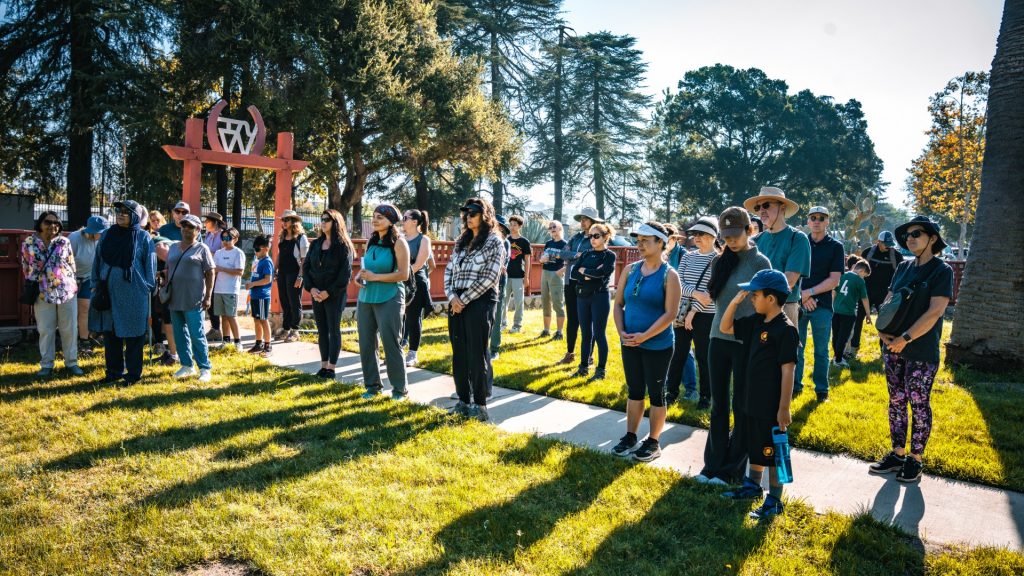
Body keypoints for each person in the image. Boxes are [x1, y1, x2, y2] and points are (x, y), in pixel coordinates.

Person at [870, 216, 953, 483]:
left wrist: (905, 338)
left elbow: (935, 311)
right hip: (892, 346)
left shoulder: (942, 271)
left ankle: (915, 459)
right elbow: (889, 300)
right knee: (896, 401)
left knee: (918, 403)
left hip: (920, 350)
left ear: (932, 238)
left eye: (917, 233)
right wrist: (881, 329)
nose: (910, 238)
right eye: (907, 235)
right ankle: (897, 453)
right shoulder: (903, 267)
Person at [697, 207, 771, 485]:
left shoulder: (761, 262)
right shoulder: (719, 261)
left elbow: (767, 306)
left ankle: (731, 471)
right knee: (718, 406)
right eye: (725, 235)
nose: (730, 240)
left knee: (741, 406)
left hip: (745, 342)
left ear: (750, 230)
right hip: (718, 339)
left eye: (735, 234)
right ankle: (712, 466)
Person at [719, 269, 799, 521]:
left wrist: (784, 408)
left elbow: (788, 371)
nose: (751, 298)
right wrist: (735, 301)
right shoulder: (756, 322)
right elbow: (725, 326)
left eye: (755, 294)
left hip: (771, 405)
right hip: (750, 401)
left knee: (773, 452)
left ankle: (774, 499)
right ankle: (752, 486)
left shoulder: (785, 330)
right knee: (755, 445)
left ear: (771, 298)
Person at [610, 222, 681, 462]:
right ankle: (630, 436)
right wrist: (622, 332)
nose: (639, 245)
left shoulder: (670, 275)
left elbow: (670, 314)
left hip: (657, 345)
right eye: (638, 240)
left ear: (660, 243)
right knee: (635, 391)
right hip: (630, 342)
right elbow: (618, 304)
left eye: (645, 241)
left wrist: (644, 336)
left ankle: (653, 441)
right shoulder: (630, 270)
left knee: (656, 393)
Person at [445, 198, 507, 422]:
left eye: (473, 212)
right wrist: (453, 297)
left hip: (480, 300)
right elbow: (448, 271)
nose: (468, 216)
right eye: (466, 212)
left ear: (484, 215)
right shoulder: (461, 240)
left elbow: (490, 277)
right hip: (457, 301)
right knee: (459, 352)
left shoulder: (494, 242)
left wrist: (464, 300)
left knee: (477, 353)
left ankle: (479, 404)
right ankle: (462, 400)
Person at [89, 201, 156, 385]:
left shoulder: (143, 237)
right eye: (119, 211)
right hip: (108, 291)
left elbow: (150, 263)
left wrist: (146, 286)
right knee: (110, 334)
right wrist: (95, 282)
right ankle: (113, 372)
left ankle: (133, 375)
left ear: (135, 216)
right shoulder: (108, 234)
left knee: (134, 335)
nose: (121, 214)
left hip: (134, 293)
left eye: (126, 212)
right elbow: (98, 259)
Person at [356, 204, 410, 400]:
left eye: (380, 217)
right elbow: (367, 268)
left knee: (391, 343)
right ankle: (372, 386)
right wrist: (359, 276)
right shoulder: (371, 241)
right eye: (374, 216)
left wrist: (375, 277)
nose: (375, 220)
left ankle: (399, 389)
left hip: (390, 297)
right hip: (366, 297)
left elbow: (404, 274)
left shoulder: (399, 243)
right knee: (366, 343)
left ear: (390, 221)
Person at [667, 216, 720, 408]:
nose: (696, 237)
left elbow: (713, 292)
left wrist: (694, 312)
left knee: (703, 356)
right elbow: (679, 283)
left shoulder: (719, 259)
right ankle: (671, 392)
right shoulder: (688, 256)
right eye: (695, 233)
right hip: (683, 312)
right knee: (678, 353)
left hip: (706, 314)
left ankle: (705, 397)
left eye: (702, 234)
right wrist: (696, 293)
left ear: (713, 236)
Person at [794, 206, 844, 402]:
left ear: (827, 221)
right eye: (813, 217)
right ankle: (795, 387)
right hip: (797, 304)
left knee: (821, 350)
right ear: (808, 221)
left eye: (821, 218)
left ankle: (822, 390)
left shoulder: (835, 246)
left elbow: (834, 280)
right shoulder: (799, 243)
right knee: (796, 348)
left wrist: (809, 294)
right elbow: (791, 273)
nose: (817, 221)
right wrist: (802, 297)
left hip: (821, 305)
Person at [21, 211, 80, 377]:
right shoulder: (29, 242)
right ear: (40, 223)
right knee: (46, 329)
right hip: (41, 292)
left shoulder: (64, 242)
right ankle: (46, 364)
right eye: (48, 222)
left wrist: (72, 282)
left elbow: (71, 264)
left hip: (66, 291)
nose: (53, 225)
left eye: (56, 223)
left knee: (69, 329)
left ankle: (72, 362)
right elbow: (25, 265)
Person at [745, 187, 810, 326]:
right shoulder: (755, 240)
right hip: (754, 307)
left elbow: (789, 281)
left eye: (766, 205)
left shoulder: (797, 238)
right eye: (758, 207)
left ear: (782, 207)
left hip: (784, 307)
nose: (761, 210)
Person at [304, 209, 353, 379]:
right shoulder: (316, 244)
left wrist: (328, 292)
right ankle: (323, 366)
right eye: (322, 219)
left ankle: (331, 368)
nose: (323, 222)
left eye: (327, 219)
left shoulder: (343, 246)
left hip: (335, 295)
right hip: (316, 293)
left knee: (333, 330)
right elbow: (306, 267)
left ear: (336, 222)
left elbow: (345, 275)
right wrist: (311, 288)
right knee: (321, 330)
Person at [165, 214, 215, 382]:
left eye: (190, 226)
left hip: (194, 299)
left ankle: (205, 367)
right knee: (179, 334)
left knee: (196, 334)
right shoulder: (172, 247)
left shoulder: (202, 248)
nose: (186, 229)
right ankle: (187, 365)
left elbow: (210, 272)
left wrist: (208, 296)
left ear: (198, 230)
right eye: (184, 225)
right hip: (175, 298)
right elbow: (168, 269)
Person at [570, 222, 617, 380]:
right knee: (585, 334)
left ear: (605, 237)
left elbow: (602, 275)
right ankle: (583, 367)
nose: (592, 239)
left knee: (599, 334)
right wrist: (589, 273)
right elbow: (574, 273)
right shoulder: (585, 254)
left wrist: (587, 272)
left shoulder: (609, 255)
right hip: (583, 297)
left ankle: (600, 370)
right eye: (590, 236)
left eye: (596, 236)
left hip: (600, 297)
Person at [556, 207, 602, 365]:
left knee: (588, 321)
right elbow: (562, 253)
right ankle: (570, 353)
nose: (582, 222)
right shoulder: (575, 238)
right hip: (570, 282)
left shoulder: (597, 239)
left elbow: (592, 258)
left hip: (586, 283)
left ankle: (589, 356)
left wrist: (576, 258)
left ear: (593, 221)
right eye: (581, 219)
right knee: (572, 319)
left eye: (585, 219)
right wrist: (577, 255)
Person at [853, 231, 904, 353]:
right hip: (865, 292)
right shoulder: (867, 253)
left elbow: (901, 275)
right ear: (878, 242)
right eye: (885, 243)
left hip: (885, 294)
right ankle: (854, 346)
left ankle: (885, 348)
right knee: (858, 318)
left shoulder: (896, 256)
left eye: (890, 244)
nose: (888, 246)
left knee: (886, 322)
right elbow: (857, 271)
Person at [68, 216, 108, 355]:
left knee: (84, 308)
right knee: (70, 311)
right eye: (100, 232)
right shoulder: (74, 238)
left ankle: (84, 340)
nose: (102, 235)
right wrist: (71, 280)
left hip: (88, 278)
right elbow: (65, 260)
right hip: (70, 278)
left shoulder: (102, 240)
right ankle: (68, 340)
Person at [402, 208, 432, 367]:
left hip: (415, 284)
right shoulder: (400, 239)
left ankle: (413, 353)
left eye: (405, 218)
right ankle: (398, 349)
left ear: (414, 222)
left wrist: (400, 275)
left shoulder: (424, 240)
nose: (402, 220)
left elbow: (419, 264)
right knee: (399, 319)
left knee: (413, 319)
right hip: (398, 281)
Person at [831, 257, 871, 368]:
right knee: (843, 338)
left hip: (836, 310)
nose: (864, 277)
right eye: (865, 275)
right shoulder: (859, 280)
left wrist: (832, 306)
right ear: (862, 271)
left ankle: (836, 356)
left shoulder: (842, 275)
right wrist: (868, 314)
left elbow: (833, 292)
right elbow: (864, 299)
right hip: (848, 313)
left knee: (836, 335)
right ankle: (838, 360)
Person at [276, 210, 309, 343]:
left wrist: (300, 277)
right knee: (284, 301)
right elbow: (279, 254)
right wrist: (274, 269)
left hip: (295, 273)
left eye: (286, 220)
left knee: (294, 301)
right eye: (282, 220)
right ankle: (286, 328)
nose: (283, 223)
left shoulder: (301, 238)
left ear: (293, 222)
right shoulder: (282, 236)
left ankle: (295, 330)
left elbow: (304, 259)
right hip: (282, 272)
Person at [212, 227, 245, 352]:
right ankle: (226, 341)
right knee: (223, 317)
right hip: (218, 289)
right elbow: (214, 269)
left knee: (231, 316)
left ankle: (238, 342)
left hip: (231, 290)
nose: (225, 241)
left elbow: (240, 272)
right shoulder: (219, 253)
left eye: (228, 238)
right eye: (223, 238)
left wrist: (221, 269)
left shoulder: (238, 253)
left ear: (235, 239)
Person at [486, 215, 512, 363]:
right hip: (484, 283)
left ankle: (494, 349)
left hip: (499, 283)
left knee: (496, 317)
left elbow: (503, 263)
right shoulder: (484, 240)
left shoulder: (505, 243)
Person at [245, 235, 274, 357]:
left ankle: (268, 346)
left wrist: (252, 284)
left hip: (262, 295)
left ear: (266, 249)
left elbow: (267, 279)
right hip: (255, 295)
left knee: (263, 320)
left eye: (258, 249)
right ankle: (258, 343)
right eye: (254, 249)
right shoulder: (257, 261)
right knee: (256, 320)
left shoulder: (267, 262)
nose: (255, 252)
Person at [538, 220, 567, 339]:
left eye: (554, 227)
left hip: (556, 274)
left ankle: (559, 332)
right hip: (545, 272)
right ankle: (546, 330)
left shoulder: (565, 244)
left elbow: (570, 261)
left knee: (557, 303)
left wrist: (562, 271)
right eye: (550, 228)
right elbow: (542, 258)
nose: (552, 229)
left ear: (560, 228)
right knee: (545, 302)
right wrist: (541, 260)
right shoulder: (548, 243)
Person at [202, 212, 228, 343]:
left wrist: (208, 253)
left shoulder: (223, 235)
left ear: (214, 222)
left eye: (207, 221)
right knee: (210, 300)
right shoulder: (207, 235)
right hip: (207, 271)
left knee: (217, 301)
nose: (205, 223)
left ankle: (219, 330)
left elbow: (223, 252)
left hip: (218, 273)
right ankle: (215, 328)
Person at [504, 215, 531, 333]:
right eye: (511, 224)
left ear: (520, 226)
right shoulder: (505, 240)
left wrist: (527, 277)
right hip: (505, 276)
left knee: (519, 302)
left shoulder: (524, 242)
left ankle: (517, 325)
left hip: (519, 276)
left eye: (515, 225)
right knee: (503, 301)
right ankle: (502, 323)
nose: (512, 227)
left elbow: (528, 260)